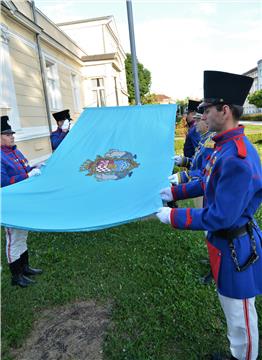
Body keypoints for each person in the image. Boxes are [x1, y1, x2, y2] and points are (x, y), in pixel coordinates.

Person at [156, 71, 262, 360]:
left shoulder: (237, 157)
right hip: (225, 244)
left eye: (207, 109)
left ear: (224, 110)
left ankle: (243, 357)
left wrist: (173, 217)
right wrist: (174, 193)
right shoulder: (224, 147)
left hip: (236, 247)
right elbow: (207, 182)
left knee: (240, 314)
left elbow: (221, 217)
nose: (202, 114)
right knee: (232, 307)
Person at [1, 116, 43, 288]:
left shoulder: (15, 152)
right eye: (7, 134)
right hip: (9, 204)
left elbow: (24, 168)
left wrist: (35, 168)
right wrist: (27, 175)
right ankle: (16, 276)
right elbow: (3, 182)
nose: (12, 136)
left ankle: (25, 268)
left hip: (21, 201)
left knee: (22, 235)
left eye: (12, 133)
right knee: (13, 238)